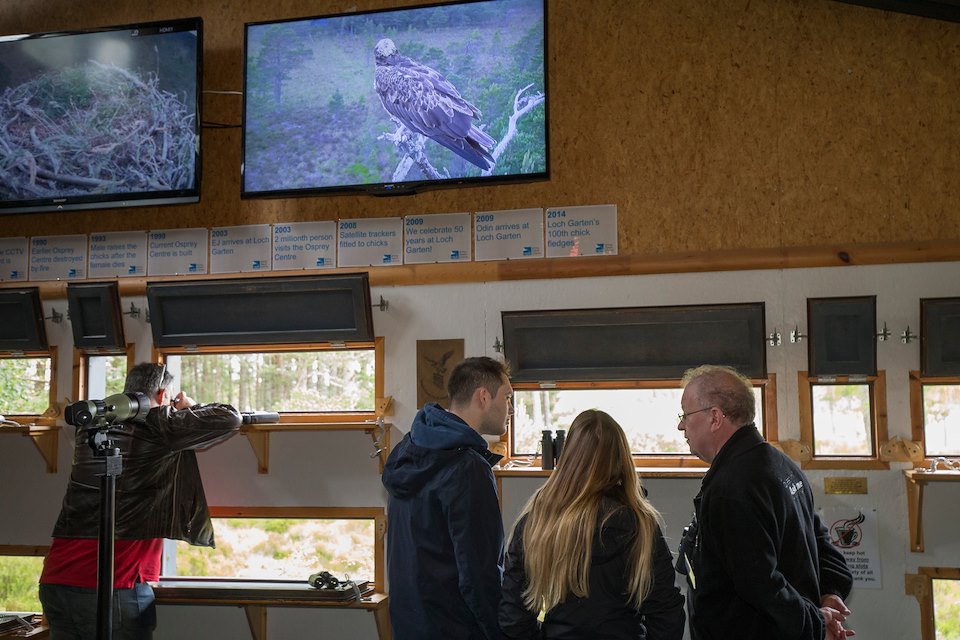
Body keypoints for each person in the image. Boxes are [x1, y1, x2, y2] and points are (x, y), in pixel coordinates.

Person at [39, 362, 242, 640]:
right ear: (161, 397)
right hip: (114, 585)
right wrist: (191, 406)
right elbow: (229, 418)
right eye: (168, 401)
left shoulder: (94, 425)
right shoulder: (158, 423)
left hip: (56, 580)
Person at [676, 365, 854, 640]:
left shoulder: (731, 487)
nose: (680, 425)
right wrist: (830, 592)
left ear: (714, 417)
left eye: (685, 415)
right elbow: (820, 541)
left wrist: (815, 622)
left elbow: (760, 584)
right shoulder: (780, 464)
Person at [499, 409, 685, 640]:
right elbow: (666, 612)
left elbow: (514, 618)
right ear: (621, 460)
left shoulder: (537, 523)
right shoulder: (640, 525)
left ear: (568, 459)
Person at [381, 356, 512, 640]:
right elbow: (479, 575)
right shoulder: (468, 468)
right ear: (484, 396)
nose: (510, 408)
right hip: (455, 629)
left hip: (410, 626)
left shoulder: (408, 449)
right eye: (507, 397)